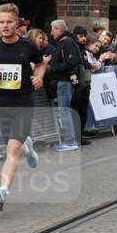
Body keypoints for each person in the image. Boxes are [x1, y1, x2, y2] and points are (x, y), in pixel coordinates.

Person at [0, 3, 46, 211]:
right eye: (2, 22)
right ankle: (29, 147)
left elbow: (41, 63)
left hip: (23, 102)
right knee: (13, 145)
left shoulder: (27, 46)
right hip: (2, 103)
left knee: (12, 148)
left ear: (17, 23)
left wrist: (38, 77)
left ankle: (3, 190)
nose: (5, 26)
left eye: (9, 22)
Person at [48, 19, 82, 152]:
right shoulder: (65, 42)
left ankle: (70, 141)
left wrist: (55, 68)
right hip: (65, 80)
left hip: (65, 80)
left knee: (64, 110)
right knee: (65, 110)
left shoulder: (67, 42)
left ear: (59, 30)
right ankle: (71, 140)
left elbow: (72, 61)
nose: (51, 33)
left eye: (53, 29)